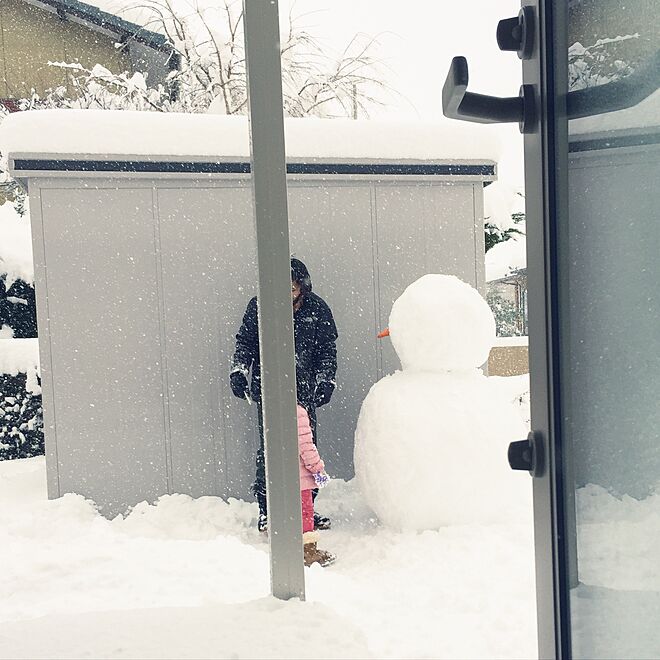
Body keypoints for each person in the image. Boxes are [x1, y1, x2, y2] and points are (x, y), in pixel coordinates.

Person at [230, 257, 338, 532]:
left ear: (302, 287)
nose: (286, 295)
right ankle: (269, 511)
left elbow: (327, 350)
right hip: (269, 391)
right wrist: (239, 371)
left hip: (304, 391)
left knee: (305, 448)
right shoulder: (260, 307)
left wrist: (325, 380)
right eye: (280, 288)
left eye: (291, 289)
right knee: (270, 451)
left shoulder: (317, 309)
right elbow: (246, 343)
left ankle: (306, 511)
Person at [296, 403, 336, 567]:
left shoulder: (274, 412)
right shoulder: (297, 413)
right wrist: (317, 469)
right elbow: (306, 448)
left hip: (283, 478)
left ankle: (289, 547)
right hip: (301, 478)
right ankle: (308, 551)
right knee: (305, 513)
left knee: (290, 513)